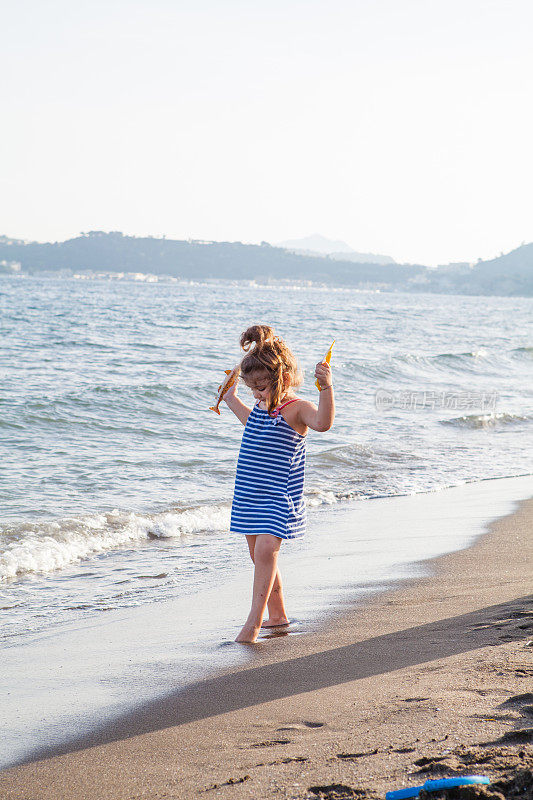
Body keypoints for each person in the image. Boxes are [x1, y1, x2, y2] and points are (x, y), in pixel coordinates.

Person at [222, 324, 335, 643]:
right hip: (248, 493)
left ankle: (252, 625)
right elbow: (254, 426)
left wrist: (325, 388)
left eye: (262, 387)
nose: (258, 395)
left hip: (278, 496)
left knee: (268, 549)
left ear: (283, 377)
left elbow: (323, 424)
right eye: (252, 389)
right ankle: (278, 615)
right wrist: (231, 398)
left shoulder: (297, 408)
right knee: (259, 554)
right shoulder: (260, 406)